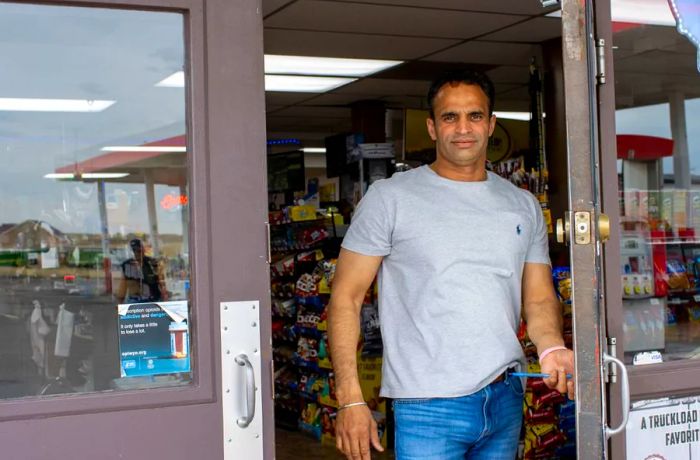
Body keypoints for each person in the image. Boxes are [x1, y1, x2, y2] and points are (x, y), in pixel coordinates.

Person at [328, 68, 575, 460]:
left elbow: (540, 299)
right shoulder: (390, 198)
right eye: (450, 117)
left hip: (505, 396)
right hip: (427, 406)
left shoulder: (522, 204)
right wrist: (350, 399)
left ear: (491, 124)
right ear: (432, 127)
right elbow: (345, 298)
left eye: (475, 116)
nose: (463, 128)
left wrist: (551, 348)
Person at [116, 239, 167, 303]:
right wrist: (120, 302)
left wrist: (165, 296)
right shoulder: (127, 265)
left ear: (143, 250)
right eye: (134, 250)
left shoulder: (153, 263)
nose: (136, 253)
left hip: (153, 299)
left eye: (139, 250)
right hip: (134, 300)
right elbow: (123, 285)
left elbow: (161, 281)